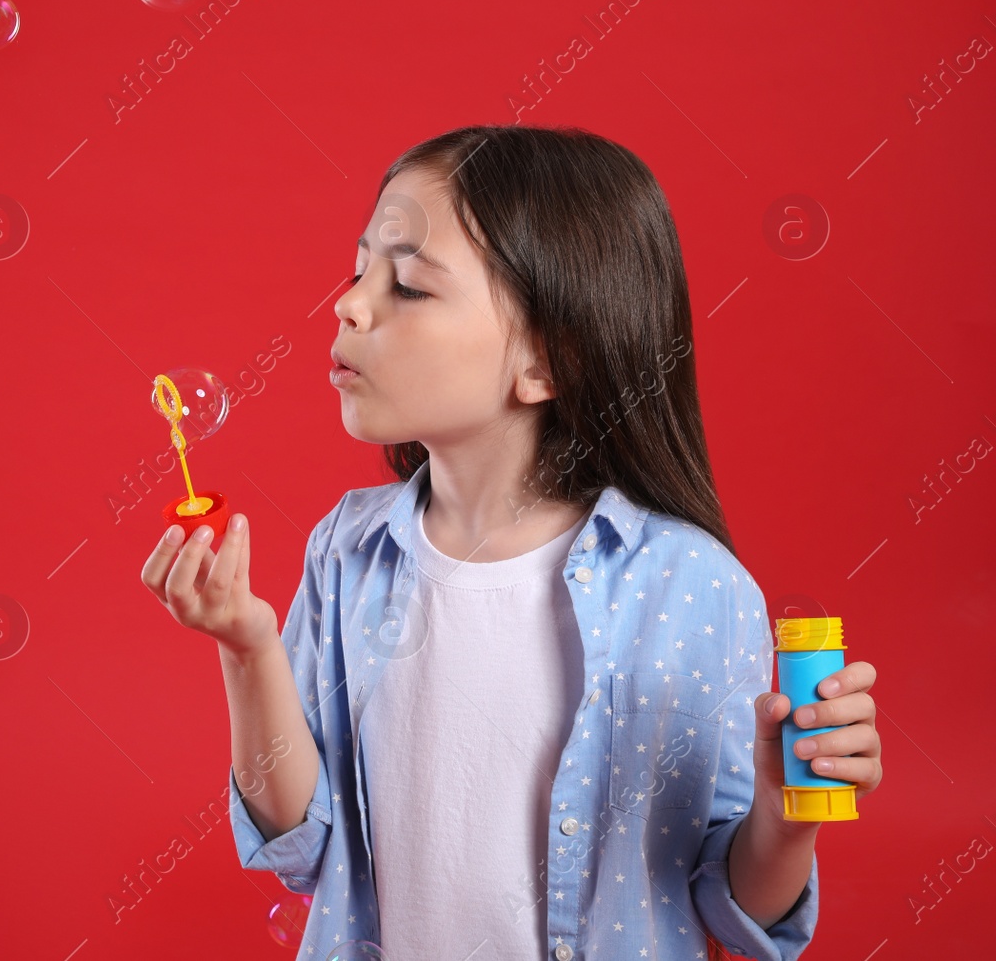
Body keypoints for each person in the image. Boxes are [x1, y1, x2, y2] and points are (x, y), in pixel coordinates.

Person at [140, 124, 883, 961]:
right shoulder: (347, 552)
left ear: (546, 361)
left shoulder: (689, 587)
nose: (348, 303)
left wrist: (786, 821)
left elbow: (728, 902)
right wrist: (246, 647)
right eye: (359, 271)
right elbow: (300, 840)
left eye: (410, 287)